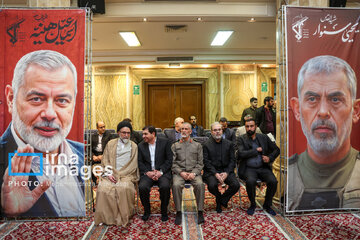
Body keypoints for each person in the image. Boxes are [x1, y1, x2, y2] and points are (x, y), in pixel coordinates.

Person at [0, 50, 85, 217]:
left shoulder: (83, 154)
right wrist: (6, 214)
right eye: (37, 99)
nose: (50, 114)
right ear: (11, 99)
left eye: (62, 101)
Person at [288, 55, 360, 210]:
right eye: (312, 99)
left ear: (355, 111)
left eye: (335, 100)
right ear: (297, 109)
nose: (322, 112)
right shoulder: (284, 174)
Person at [94, 121, 139, 226]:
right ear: (118, 132)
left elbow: (133, 165)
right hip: (111, 174)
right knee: (103, 188)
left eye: (128, 133)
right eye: (124, 133)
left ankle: (121, 218)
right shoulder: (111, 144)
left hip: (127, 175)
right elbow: (105, 160)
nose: (126, 135)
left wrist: (120, 175)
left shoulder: (134, 146)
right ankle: (106, 218)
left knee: (123, 188)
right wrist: (109, 173)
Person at [237, 118, 280, 216]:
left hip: (263, 167)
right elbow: (241, 154)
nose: (249, 128)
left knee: (273, 181)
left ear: (256, 126)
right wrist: (256, 150)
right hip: (249, 168)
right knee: (250, 182)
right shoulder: (241, 139)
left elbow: (276, 149)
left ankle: (267, 205)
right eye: (247, 126)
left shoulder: (263, 137)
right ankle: (252, 204)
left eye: (251, 126)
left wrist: (269, 158)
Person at [172, 122, 205, 225]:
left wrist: (194, 173)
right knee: (176, 185)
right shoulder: (175, 145)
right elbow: (172, 163)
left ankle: (200, 211)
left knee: (200, 185)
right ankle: (178, 211)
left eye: (186, 129)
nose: (184, 131)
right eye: (182, 129)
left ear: (190, 131)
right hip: (179, 173)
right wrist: (181, 172)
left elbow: (200, 163)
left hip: (193, 173)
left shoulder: (197, 145)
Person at [138, 125, 173, 222]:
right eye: (143, 134)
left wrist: (160, 171)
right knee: (142, 187)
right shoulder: (141, 146)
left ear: (153, 134)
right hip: (148, 173)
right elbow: (139, 162)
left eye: (145, 134)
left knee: (165, 186)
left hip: (162, 172)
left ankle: (164, 210)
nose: (143, 136)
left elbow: (169, 160)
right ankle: (147, 210)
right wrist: (147, 172)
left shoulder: (165, 142)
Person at [203, 122, 240, 213]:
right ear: (211, 132)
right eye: (215, 130)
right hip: (211, 172)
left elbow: (232, 160)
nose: (217, 132)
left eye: (219, 130)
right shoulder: (206, 145)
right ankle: (219, 197)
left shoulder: (229, 144)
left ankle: (222, 199)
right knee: (212, 186)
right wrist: (215, 174)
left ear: (222, 131)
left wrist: (227, 173)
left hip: (226, 171)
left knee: (236, 185)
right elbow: (206, 162)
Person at [91, 121, 112, 186]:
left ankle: (105, 181)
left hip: (105, 154)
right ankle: (95, 182)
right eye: (101, 127)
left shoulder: (109, 135)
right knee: (88, 165)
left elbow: (111, 148)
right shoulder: (93, 136)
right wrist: (93, 156)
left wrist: (104, 156)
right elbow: (89, 148)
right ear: (97, 128)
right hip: (95, 154)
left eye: (104, 127)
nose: (103, 128)